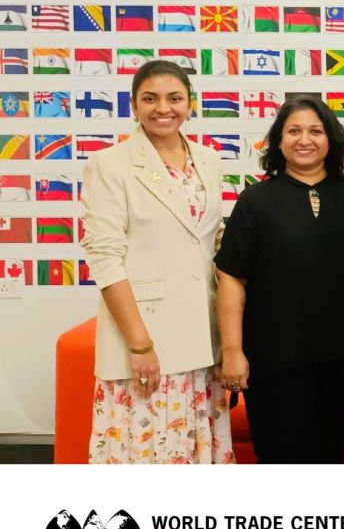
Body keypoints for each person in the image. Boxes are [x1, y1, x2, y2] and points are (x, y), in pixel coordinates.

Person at [81, 60, 234, 464]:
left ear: (190, 103)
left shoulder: (209, 160)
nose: (163, 108)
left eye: (174, 98)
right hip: (147, 339)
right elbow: (105, 258)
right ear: (133, 105)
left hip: (204, 335)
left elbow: (213, 239)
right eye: (150, 99)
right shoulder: (109, 164)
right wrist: (140, 344)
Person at [214, 96, 344, 464]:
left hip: (341, 355)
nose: (305, 140)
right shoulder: (255, 200)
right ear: (278, 140)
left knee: (332, 451)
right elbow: (232, 279)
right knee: (280, 454)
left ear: (331, 139)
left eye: (315, 131)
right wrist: (233, 351)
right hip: (273, 358)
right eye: (294, 131)